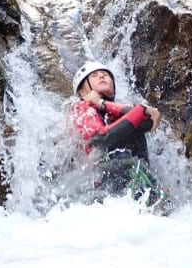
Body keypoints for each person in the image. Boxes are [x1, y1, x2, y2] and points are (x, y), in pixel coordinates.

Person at [69, 60, 169, 209]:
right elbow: (100, 138)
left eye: (106, 75)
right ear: (83, 91)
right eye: (94, 76)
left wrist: (103, 104)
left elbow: (149, 119)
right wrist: (141, 111)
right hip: (103, 186)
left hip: (131, 184)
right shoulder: (81, 108)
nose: (102, 77)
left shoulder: (113, 112)